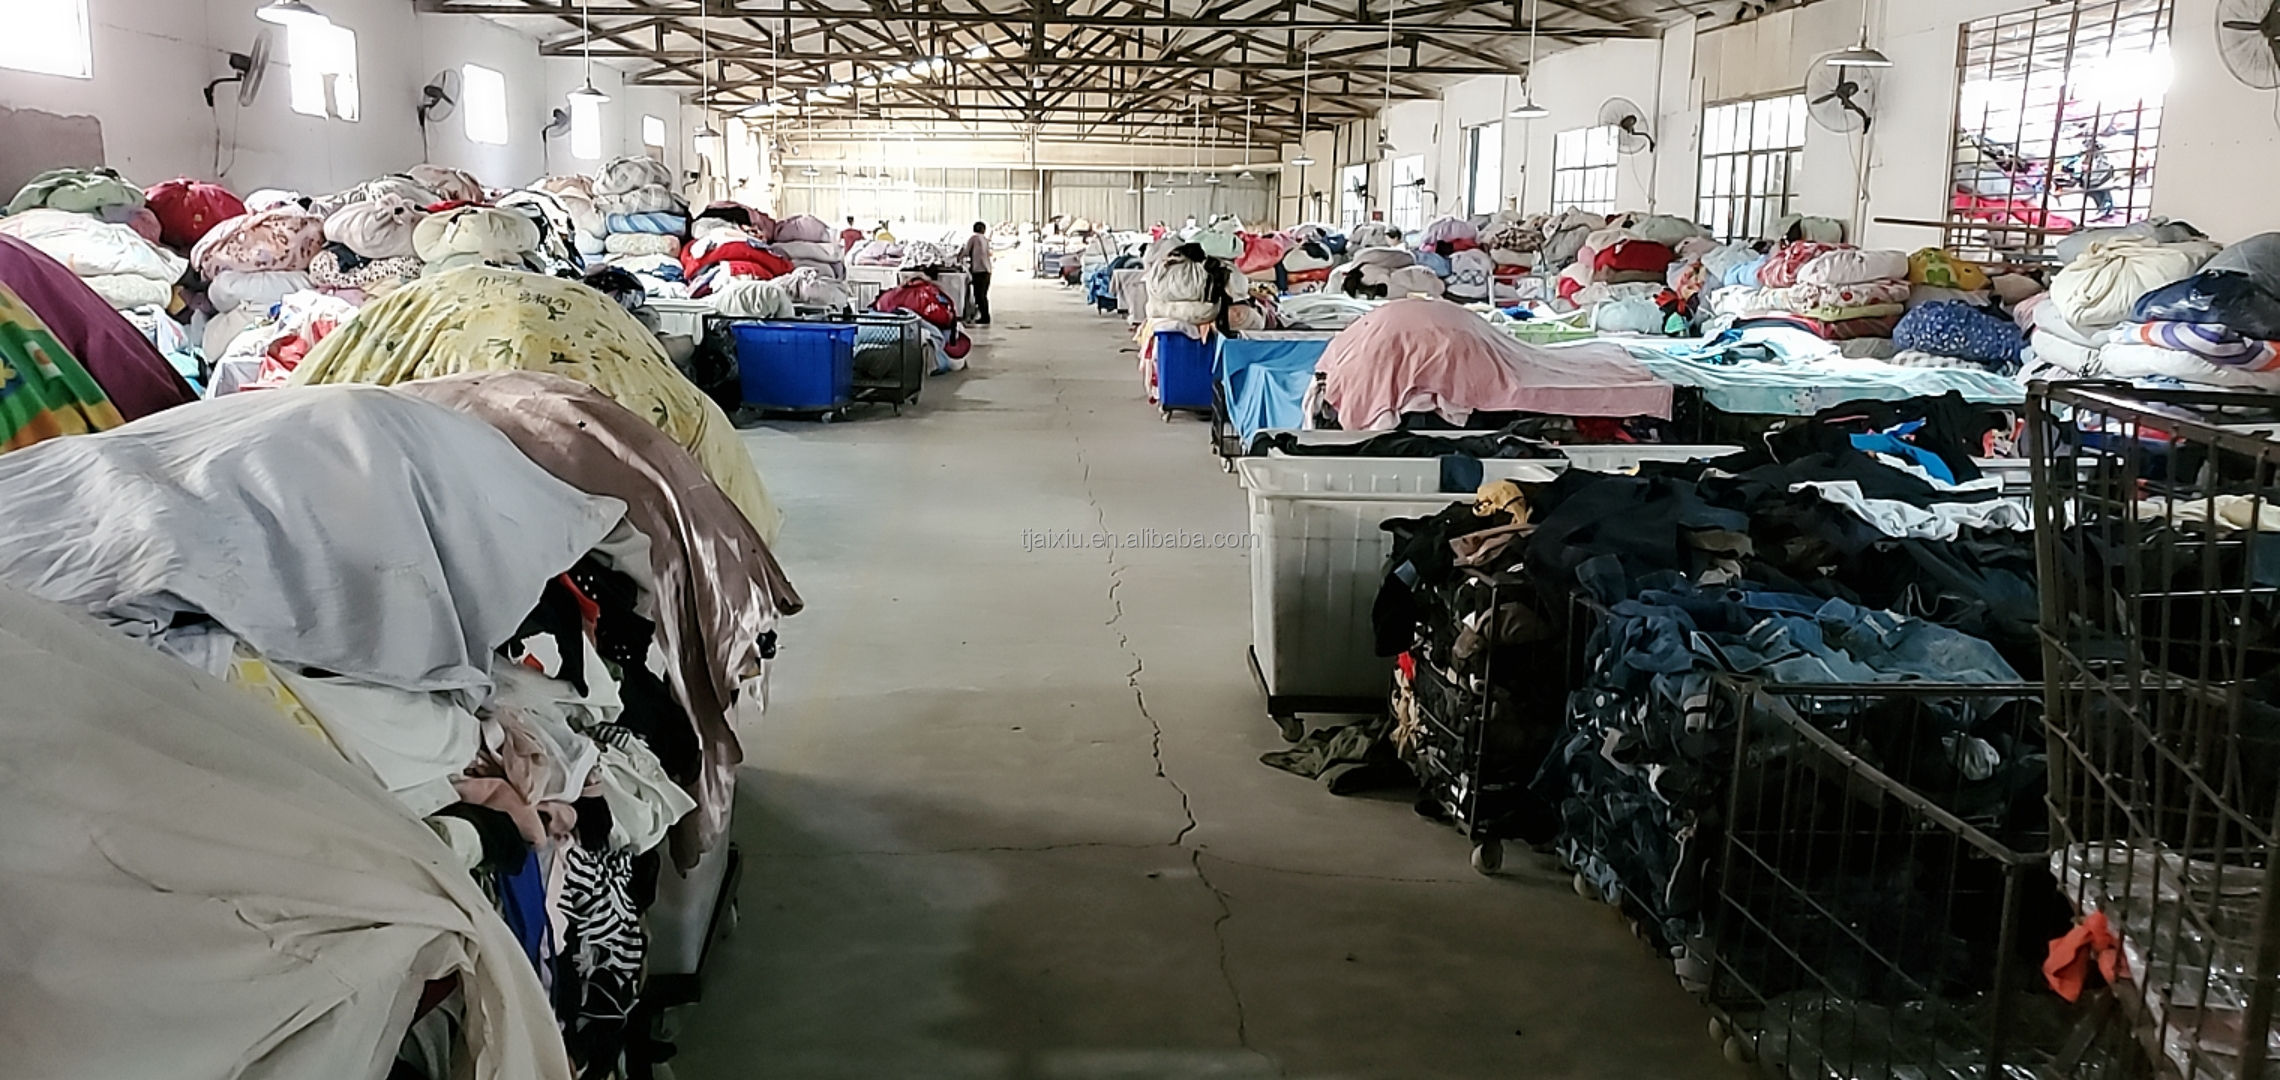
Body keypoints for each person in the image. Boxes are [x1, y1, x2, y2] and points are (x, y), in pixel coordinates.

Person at [961, 221, 994, 326]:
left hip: (978, 270)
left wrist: (958, 257)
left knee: (979, 295)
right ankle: (985, 315)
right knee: (983, 295)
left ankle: (985, 317)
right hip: (987, 270)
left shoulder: (973, 238)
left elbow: (966, 252)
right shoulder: (985, 240)